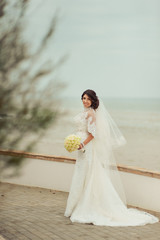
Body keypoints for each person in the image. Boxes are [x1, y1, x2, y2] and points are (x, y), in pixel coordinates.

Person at [64, 89, 159, 226]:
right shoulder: (84, 113)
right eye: (83, 98)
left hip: (86, 147)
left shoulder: (91, 114)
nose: (85, 101)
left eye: (87, 99)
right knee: (81, 173)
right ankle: (75, 205)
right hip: (81, 146)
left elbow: (93, 134)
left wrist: (81, 144)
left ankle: (88, 206)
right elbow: (82, 129)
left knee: (87, 173)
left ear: (92, 101)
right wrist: (73, 140)